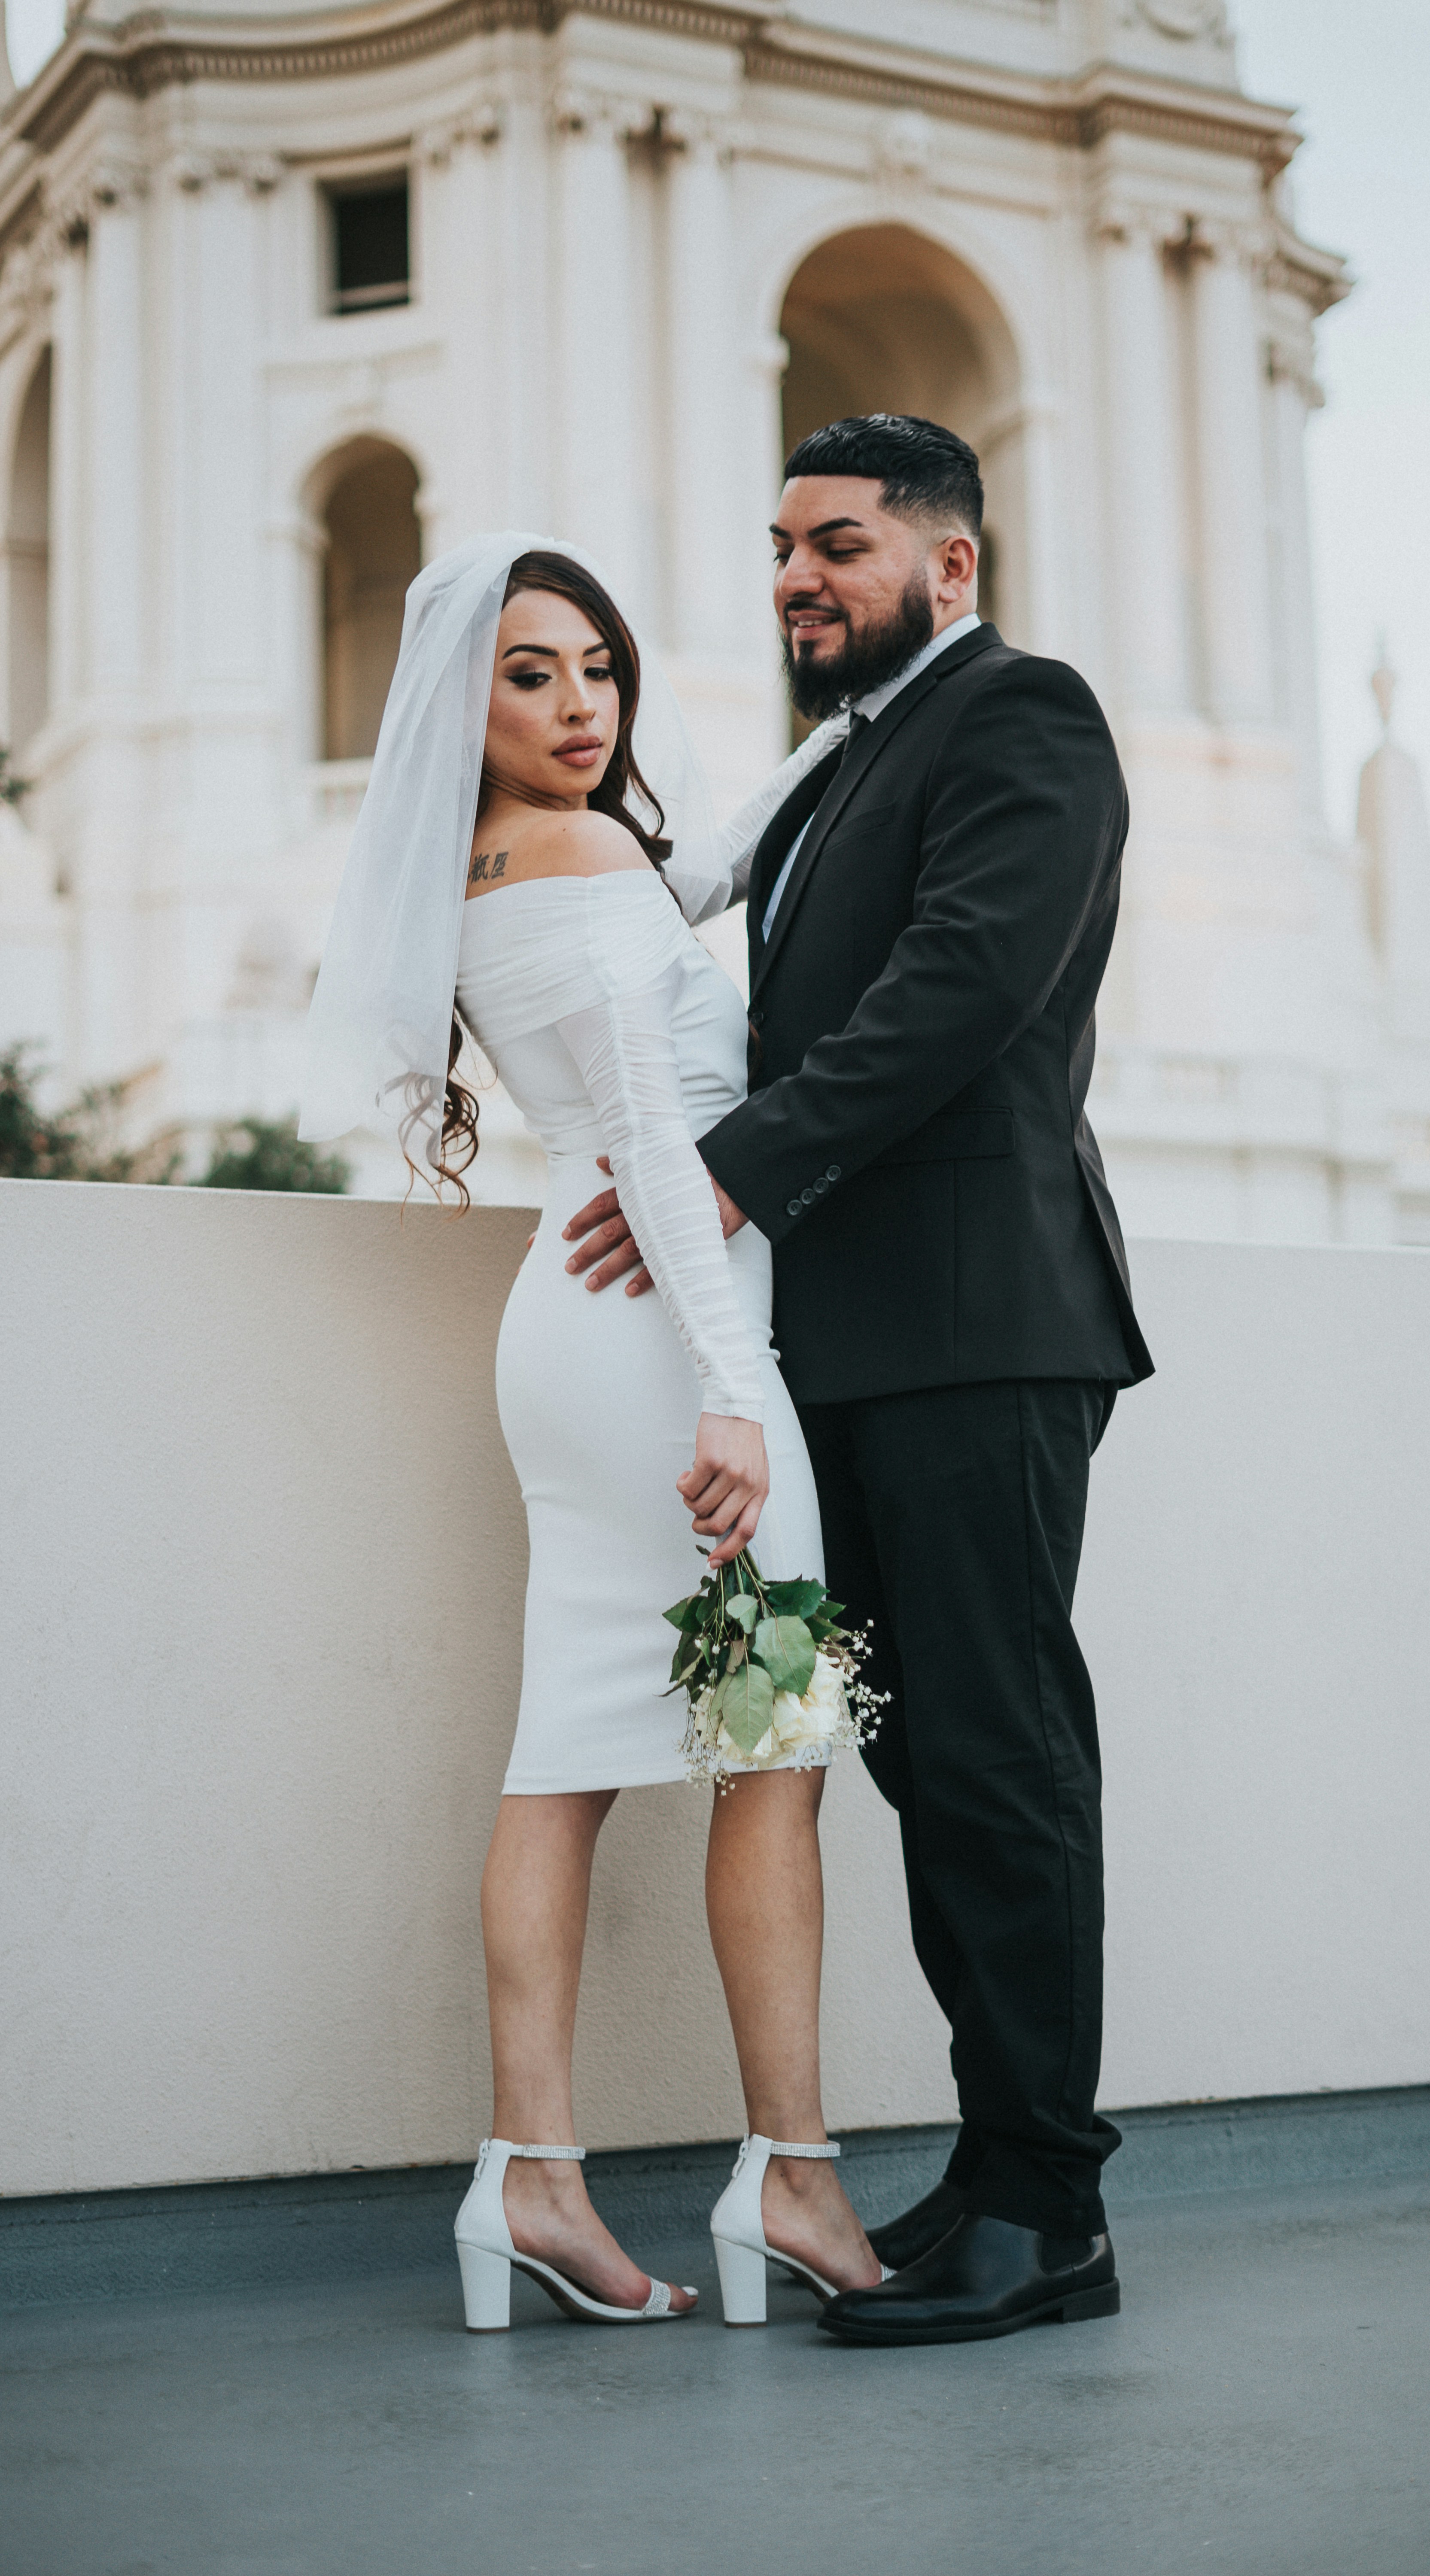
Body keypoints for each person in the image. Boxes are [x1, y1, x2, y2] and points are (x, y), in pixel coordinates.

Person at [563, 416, 1154, 2347]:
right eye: (782, 548)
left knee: (994, 1757)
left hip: (984, 1326)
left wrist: (723, 1177)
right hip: (853, 1348)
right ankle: (995, 2165)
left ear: (949, 565)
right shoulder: (840, 771)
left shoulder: (1023, 720)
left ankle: (1054, 2212)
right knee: (912, 1761)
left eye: (839, 543)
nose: (798, 576)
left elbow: (965, 985)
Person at [299, 535, 884, 2331]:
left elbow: (692, 875)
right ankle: (787, 2177)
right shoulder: (564, 847)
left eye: (599, 672)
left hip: (582, 1329)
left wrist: (848, 722)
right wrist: (730, 1390)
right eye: (531, 674)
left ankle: (528, 2182)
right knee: (771, 1746)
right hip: (662, 1347)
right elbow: (649, 1131)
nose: (577, 707)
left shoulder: (516, 859)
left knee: (565, 1752)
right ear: (459, 701)